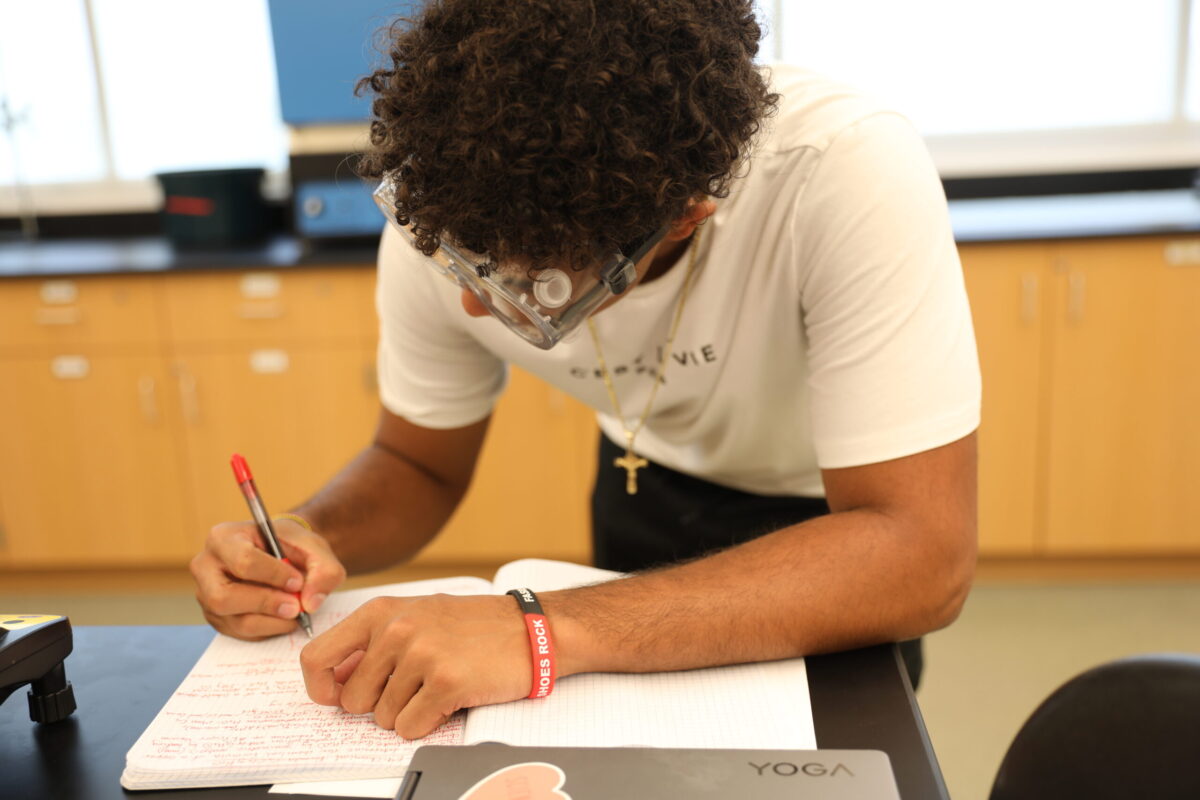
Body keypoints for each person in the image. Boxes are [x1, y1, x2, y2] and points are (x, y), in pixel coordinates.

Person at [190, 0, 980, 741]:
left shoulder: (840, 169)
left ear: (681, 219)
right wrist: (306, 533)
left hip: (836, 532)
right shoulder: (455, 210)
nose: (473, 307)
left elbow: (918, 554)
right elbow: (416, 463)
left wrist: (538, 626)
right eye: (467, 266)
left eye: (534, 287)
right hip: (642, 490)